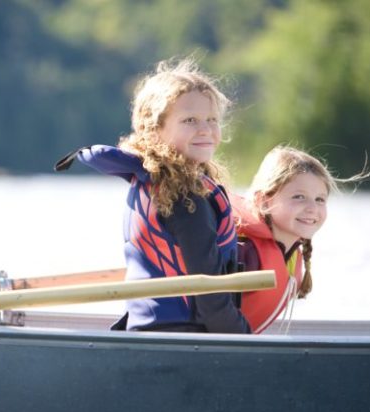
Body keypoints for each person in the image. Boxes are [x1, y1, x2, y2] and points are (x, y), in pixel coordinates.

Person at [56, 57, 250, 334]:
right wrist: (245, 340)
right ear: (154, 129)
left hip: (149, 331)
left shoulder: (151, 182)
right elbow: (209, 291)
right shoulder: (185, 198)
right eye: (190, 120)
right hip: (182, 338)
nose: (205, 129)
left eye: (212, 119)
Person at [232, 145, 370, 333]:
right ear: (264, 201)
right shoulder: (245, 252)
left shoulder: (289, 255)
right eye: (299, 197)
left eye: (320, 199)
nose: (312, 208)